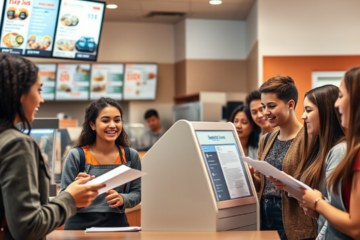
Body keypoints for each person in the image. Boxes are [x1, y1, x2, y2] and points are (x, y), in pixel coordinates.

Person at [0, 54, 105, 240]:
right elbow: (28, 227)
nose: (41, 100)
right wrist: (71, 198)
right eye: (38, 90)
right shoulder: (17, 143)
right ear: (19, 93)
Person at [270, 85, 346, 239]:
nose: (303, 116)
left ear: (327, 113)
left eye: (309, 110)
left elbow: (337, 213)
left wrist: (317, 204)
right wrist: (287, 185)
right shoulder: (320, 148)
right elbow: (327, 210)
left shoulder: (339, 151)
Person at [61, 97, 141, 230]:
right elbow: (64, 196)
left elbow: (137, 193)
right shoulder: (77, 155)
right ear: (92, 124)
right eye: (105, 120)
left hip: (117, 226)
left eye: (117, 120)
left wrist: (122, 199)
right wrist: (77, 190)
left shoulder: (131, 156)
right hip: (79, 227)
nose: (112, 125)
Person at [252, 76, 316, 240]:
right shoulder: (266, 139)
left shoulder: (309, 139)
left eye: (271, 106)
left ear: (290, 104)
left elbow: (313, 185)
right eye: (264, 106)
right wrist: (250, 175)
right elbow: (260, 184)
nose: (266, 112)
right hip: (264, 217)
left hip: (294, 220)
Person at [301, 67, 360, 239]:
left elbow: (356, 228)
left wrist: (318, 203)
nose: (336, 104)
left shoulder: (347, 151)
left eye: (341, 96)